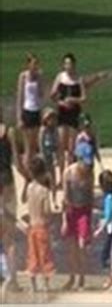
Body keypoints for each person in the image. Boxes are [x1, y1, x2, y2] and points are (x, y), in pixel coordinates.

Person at [61, 141, 95, 291]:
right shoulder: (68, 173)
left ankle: (81, 278)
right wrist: (64, 220)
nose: (87, 166)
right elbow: (65, 198)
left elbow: (91, 196)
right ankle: (72, 276)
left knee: (81, 245)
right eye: (85, 162)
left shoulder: (90, 173)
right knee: (71, 247)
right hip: (71, 211)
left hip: (84, 211)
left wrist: (91, 220)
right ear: (78, 159)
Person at [0, 107, 26, 292]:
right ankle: (13, 281)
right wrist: (29, 177)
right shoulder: (8, 132)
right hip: (7, 182)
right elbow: (17, 161)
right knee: (9, 237)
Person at [50, 53, 87, 177]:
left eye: (70, 64)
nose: (68, 66)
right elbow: (52, 95)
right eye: (66, 64)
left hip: (74, 113)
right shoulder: (60, 77)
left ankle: (70, 175)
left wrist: (73, 100)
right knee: (61, 145)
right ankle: (61, 175)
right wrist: (61, 102)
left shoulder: (78, 79)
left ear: (74, 65)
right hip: (62, 113)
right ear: (63, 65)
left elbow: (84, 98)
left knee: (72, 147)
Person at [25, 156, 54, 292]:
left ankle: (33, 285)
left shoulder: (30, 188)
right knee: (44, 255)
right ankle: (46, 284)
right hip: (42, 226)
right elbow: (47, 210)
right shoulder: (44, 191)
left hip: (32, 227)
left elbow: (26, 203)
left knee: (33, 255)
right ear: (43, 173)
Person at [93, 170, 112, 291]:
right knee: (107, 255)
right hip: (111, 230)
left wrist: (99, 229)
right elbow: (108, 213)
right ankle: (110, 279)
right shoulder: (110, 197)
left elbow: (109, 215)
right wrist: (99, 213)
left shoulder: (109, 198)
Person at [16, 53, 44, 167]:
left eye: (36, 63)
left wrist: (40, 79)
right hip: (27, 111)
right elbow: (20, 97)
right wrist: (19, 117)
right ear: (28, 64)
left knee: (34, 145)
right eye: (33, 63)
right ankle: (28, 173)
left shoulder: (38, 77)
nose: (35, 66)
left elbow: (41, 94)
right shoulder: (23, 76)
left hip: (36, 111)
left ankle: (33, 170)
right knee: (28, 147)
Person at [39, 108, 60, 208]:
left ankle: (54, 199)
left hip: (51, 156)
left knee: (53, 179)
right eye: (49, 119)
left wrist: (57, 158)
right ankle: (44, 201)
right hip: (44, 157)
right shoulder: (43, 130)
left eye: (53, 118)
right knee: (44, 180)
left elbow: (57, 145)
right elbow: (41, 145)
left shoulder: (55, 130)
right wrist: (42, 159)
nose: (52, 121)